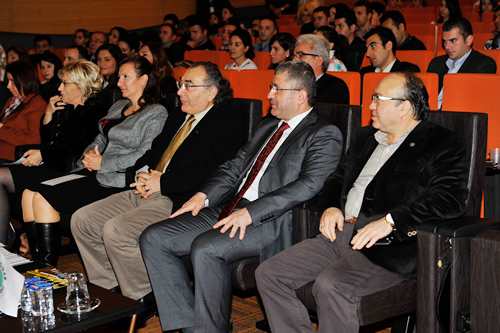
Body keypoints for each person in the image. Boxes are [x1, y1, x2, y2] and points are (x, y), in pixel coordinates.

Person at [256, 71, 469, 333]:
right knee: (269, 273)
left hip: (390, 245)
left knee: (330, 285)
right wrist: (331, 207)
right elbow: (336, 179)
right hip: (340, 233)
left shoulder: (441, 142)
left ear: (405, 107)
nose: (370, 106)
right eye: (372, 98)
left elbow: (450, 201)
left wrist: (391, 222)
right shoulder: (366, 136)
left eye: (378, 99)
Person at [140, 61, 342, 333]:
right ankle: (190, 324)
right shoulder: (268, 125)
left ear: (300, 95)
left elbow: (308, 185)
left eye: (276, 88)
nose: (269, 94)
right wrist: (203, 195)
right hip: (231, 206)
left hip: (271, 220)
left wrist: (253, 212)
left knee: (206, 248)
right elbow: (234, 166)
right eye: (271, 86)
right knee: (154, 238)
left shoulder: (323, 133)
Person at [71, 61, 246, 308]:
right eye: (180, 84)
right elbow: (153, 153)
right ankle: (110, 289)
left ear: (211, 92)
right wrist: (142, 174)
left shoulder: (228, 121)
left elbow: (213, 172)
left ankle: (145, 297)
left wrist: (162, 182)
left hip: (178, 196)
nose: (180, 91)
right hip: (148, 187)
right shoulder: (178, 115)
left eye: (188, 85)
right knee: (83, 219)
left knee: (117, 229)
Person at [21, 55, 168, 267]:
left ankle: (46, 267)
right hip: (94, 170)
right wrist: (89, 157)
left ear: (143, 80)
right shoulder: (119, 106)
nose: (119, 82)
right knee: (29, 194)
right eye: (119, 77)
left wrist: (103, 163)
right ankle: (37, 263)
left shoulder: (156, 113)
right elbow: (99, 138)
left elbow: (144, 154)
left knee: (43, 198)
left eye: (126, 77)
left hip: (117, 179)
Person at [0, 60, 107, 250]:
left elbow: (78, 148)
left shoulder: (95, 110)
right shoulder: (64, 107)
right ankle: (9, 243)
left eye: (65, 83)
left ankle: (8, 244)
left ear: (81, 85)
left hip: (65, 170)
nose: (59, 88)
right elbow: (47, 141)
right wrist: (48, 115)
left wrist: (44, 155)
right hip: (50, 165)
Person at [427, 17, 497, 108]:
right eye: (445, 41)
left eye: (453, 40)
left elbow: (476, 104)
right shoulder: (436, 63)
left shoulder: (484, 64)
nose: (447, 47)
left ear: (468, 40)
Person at [0, 61, 46, 162]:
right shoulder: (13, 99)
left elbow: (34, 140)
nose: (8, 86)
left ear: (24, 80)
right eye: (8, 81)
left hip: (12, 157)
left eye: (12, 81)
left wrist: (2, 130)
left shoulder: (37, 104)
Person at [293, 34, 350, 104]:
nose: (294, 60)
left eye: (300, 55)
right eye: (294, 55)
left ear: (318, 61)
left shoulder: (336, 87)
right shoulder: (289, 84)